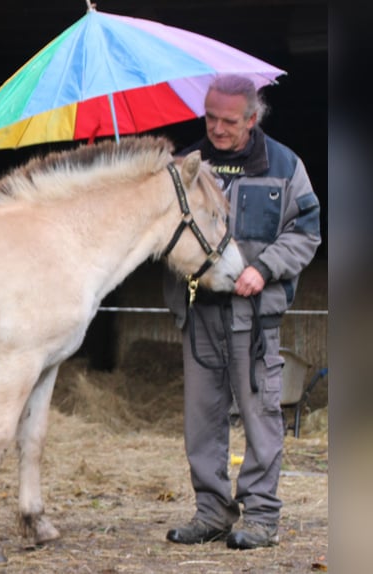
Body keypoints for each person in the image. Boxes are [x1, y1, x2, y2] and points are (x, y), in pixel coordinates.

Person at [162, 74, 321, 550]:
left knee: (260, 415)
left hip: (253, 317)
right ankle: (211, 512)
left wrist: (265, 268)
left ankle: (261, 517)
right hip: (200, 312)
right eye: (209, 117)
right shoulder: (187, 165)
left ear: (253, 118)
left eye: (229, 120)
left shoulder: (285, 166)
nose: (217, 128)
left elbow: (306, 233)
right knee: (201, 418)